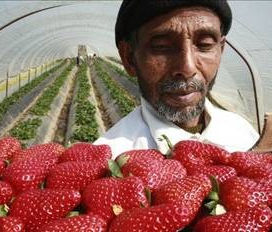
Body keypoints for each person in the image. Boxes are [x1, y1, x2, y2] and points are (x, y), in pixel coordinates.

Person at [94, 0, 259, 158]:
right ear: (129, 58)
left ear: (221, 50)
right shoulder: (112, 160)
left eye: (204, 45)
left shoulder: (244, 134)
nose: (187, 68)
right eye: (162, 46)